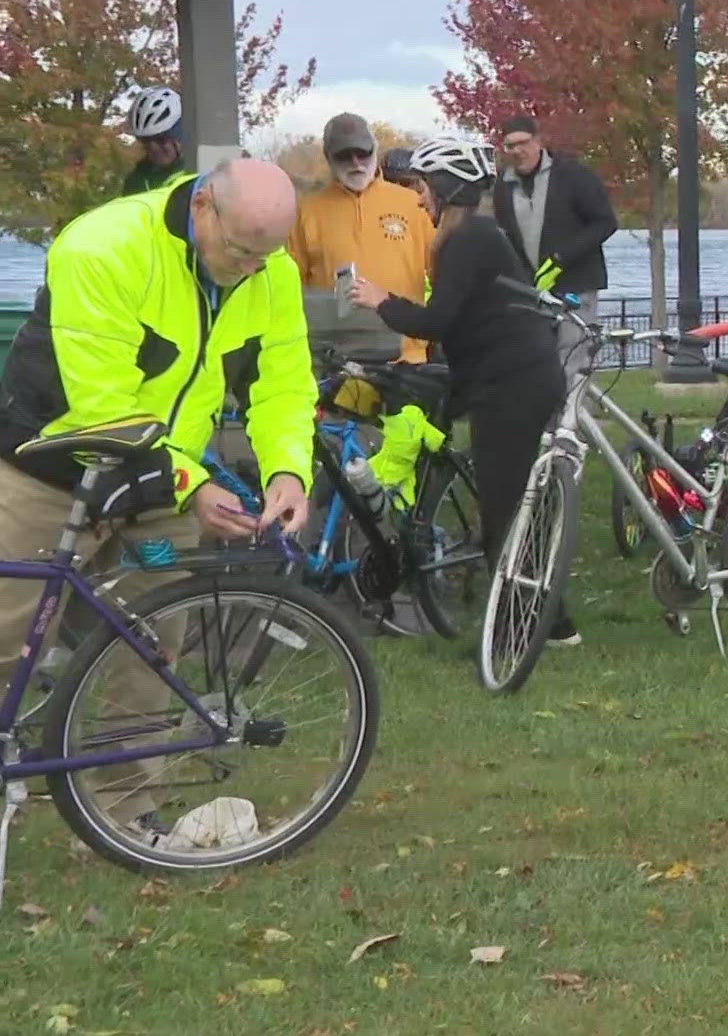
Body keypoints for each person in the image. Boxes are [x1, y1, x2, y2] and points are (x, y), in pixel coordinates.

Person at [0, 160, 315, 837]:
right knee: (7, 637)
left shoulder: (269, 271)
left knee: (150, 646)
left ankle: (125, 805)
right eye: (240, 249)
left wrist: (289, 469)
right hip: (49, 468)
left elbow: (282, 381)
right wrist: (194, 484)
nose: (252, 268)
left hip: (164, 479)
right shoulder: (103, 245)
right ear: (203, 205)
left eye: (268, 253)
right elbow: (104, 406)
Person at [348, 136, 579, 647]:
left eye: (423, 187)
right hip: (505, 377)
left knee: (503, 510)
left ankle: (521, 629)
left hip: (513, 385)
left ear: (447, 189)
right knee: (515, 502)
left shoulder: (468, 239)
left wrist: (382, 301)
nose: (417, 198)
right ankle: (552, 620)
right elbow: (464, 319)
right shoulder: (474, 235)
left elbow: (438, 319)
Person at [288, 113, 434, 364]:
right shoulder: (306, 210)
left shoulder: (413, 204)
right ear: (328, 157)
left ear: (375, 150)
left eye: (363, 153)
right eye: (344, 156)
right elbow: (291, 288)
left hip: (408, 356)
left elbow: (441, 272)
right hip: (335, 359)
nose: (356, 163)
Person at [493, 115, 618, 325]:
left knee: (573, 353)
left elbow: (606, 223)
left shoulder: (573, 175)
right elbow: (507, 238)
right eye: (510, 146)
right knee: (540, 357)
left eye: (523, 143)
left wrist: (561, 257)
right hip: (532, 293)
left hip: (576, 286)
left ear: (537, 141)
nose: (517, 151)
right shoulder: (503, 186)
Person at [122, 87, 189, 196]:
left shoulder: (199, 173)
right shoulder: (136, 182)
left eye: (160, 139)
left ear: (179, 135)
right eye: (145, 141)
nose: (153, 147)